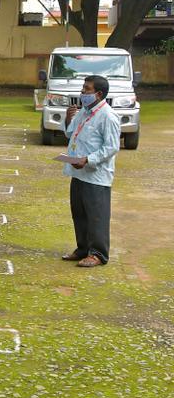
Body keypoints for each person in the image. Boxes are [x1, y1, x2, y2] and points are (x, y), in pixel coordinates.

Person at [61, 75, 120, 268]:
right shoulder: (84, 112)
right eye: (83, 87)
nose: (82, 92)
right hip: (78, 172)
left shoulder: (108, 116)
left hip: (96, 175)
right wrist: (68, 118)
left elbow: (111, 147)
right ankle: (83, 248)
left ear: (99, 94)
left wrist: (88, 160)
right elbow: (70, 133)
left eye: (87, 89)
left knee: (96, 216)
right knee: (79, 213)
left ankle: (98, 254)